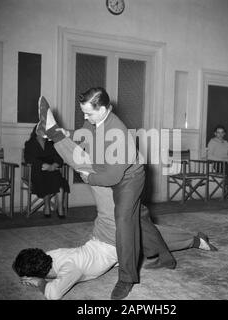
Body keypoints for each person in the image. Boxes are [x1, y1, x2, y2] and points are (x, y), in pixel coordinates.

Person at [36, 92, 210, 299]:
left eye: (88, 114)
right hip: (108, 168)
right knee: (142, 223)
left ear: (103, 109)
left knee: (124, 223)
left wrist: (88, 178)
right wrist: (67, 133)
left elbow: (112, 177)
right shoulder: (95, 121)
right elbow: (84, 136)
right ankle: (183, 248)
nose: (85, 118)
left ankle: (127, 278)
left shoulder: (118, 133)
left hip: (127, 180)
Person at [13, 185, 217, 300]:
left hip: (111, 241)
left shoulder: (69, 268)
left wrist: (40, 283)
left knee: (149, 232)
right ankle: (196, 240)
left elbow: (53, 294)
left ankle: (195, 240)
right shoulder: (51, 254)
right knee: (151, 234)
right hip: (99, 237)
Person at [24, 125, 70, 218]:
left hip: (52, 170)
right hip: (38, 171)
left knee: (59, 180)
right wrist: (43, 165)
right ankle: (47, 206)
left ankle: (60, 207)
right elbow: (29, 159)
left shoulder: (51, 143)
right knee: (48, 179)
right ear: (36, 131)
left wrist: (53, 166)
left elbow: (59, 158)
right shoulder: (30, 143)